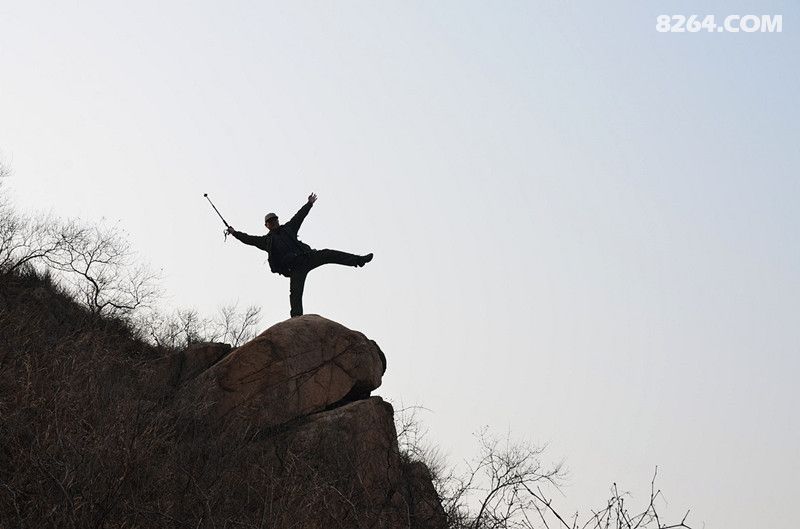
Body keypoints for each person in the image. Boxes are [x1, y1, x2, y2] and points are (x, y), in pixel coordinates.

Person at [226, 193, 373, 317]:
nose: (273, 222)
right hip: (294, 269)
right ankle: (296, 319)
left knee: (328, 254)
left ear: (278, 220)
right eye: (270, 222)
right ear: (266, 225)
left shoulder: (289, 228)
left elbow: (299, 216)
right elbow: (249, 239)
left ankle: (358, 260)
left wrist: (309, 204)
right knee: (295, 294)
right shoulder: (267, 241)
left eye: (274, 220)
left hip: (306, 258)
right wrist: (234, 233)